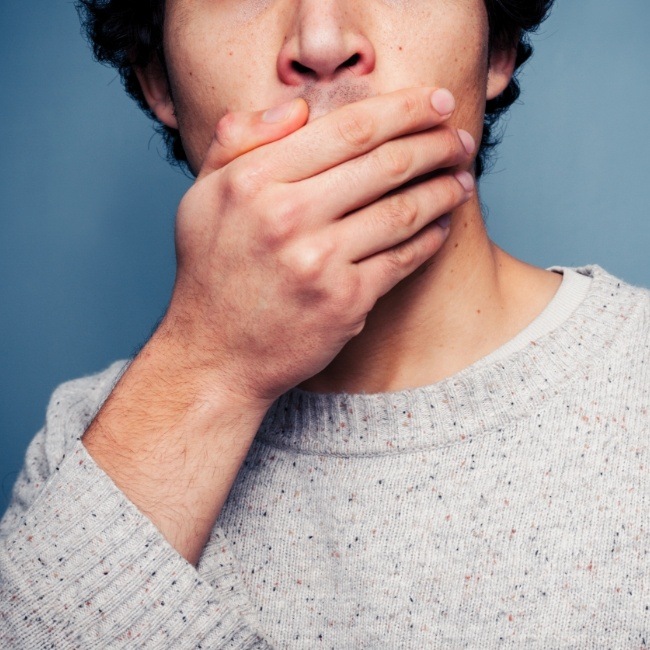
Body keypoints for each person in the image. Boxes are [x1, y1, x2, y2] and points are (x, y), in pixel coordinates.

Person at [1, 0, 648, 647]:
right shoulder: (87, 462)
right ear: (157, 80)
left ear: (496, 45)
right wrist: (210, 363)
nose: (321, 42)